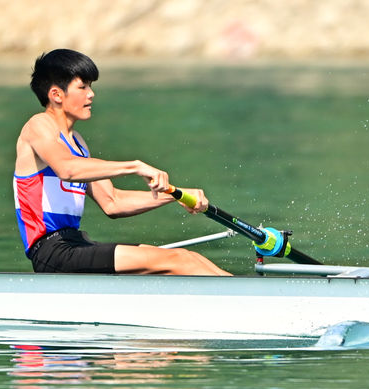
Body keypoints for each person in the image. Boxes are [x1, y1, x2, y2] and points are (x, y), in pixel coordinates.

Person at [13, 49, 230, 275]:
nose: (91, 94)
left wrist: (176, 195)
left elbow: (113, 202)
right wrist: (135, 166)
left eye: (90, 86)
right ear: (57, 95)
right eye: (83, 87)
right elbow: (66, 169)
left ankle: (244, 292)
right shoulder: (38, 126)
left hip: (76, 243)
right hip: (50, 251)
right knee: (180, 261)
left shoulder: (77, 143)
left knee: (189, 258)